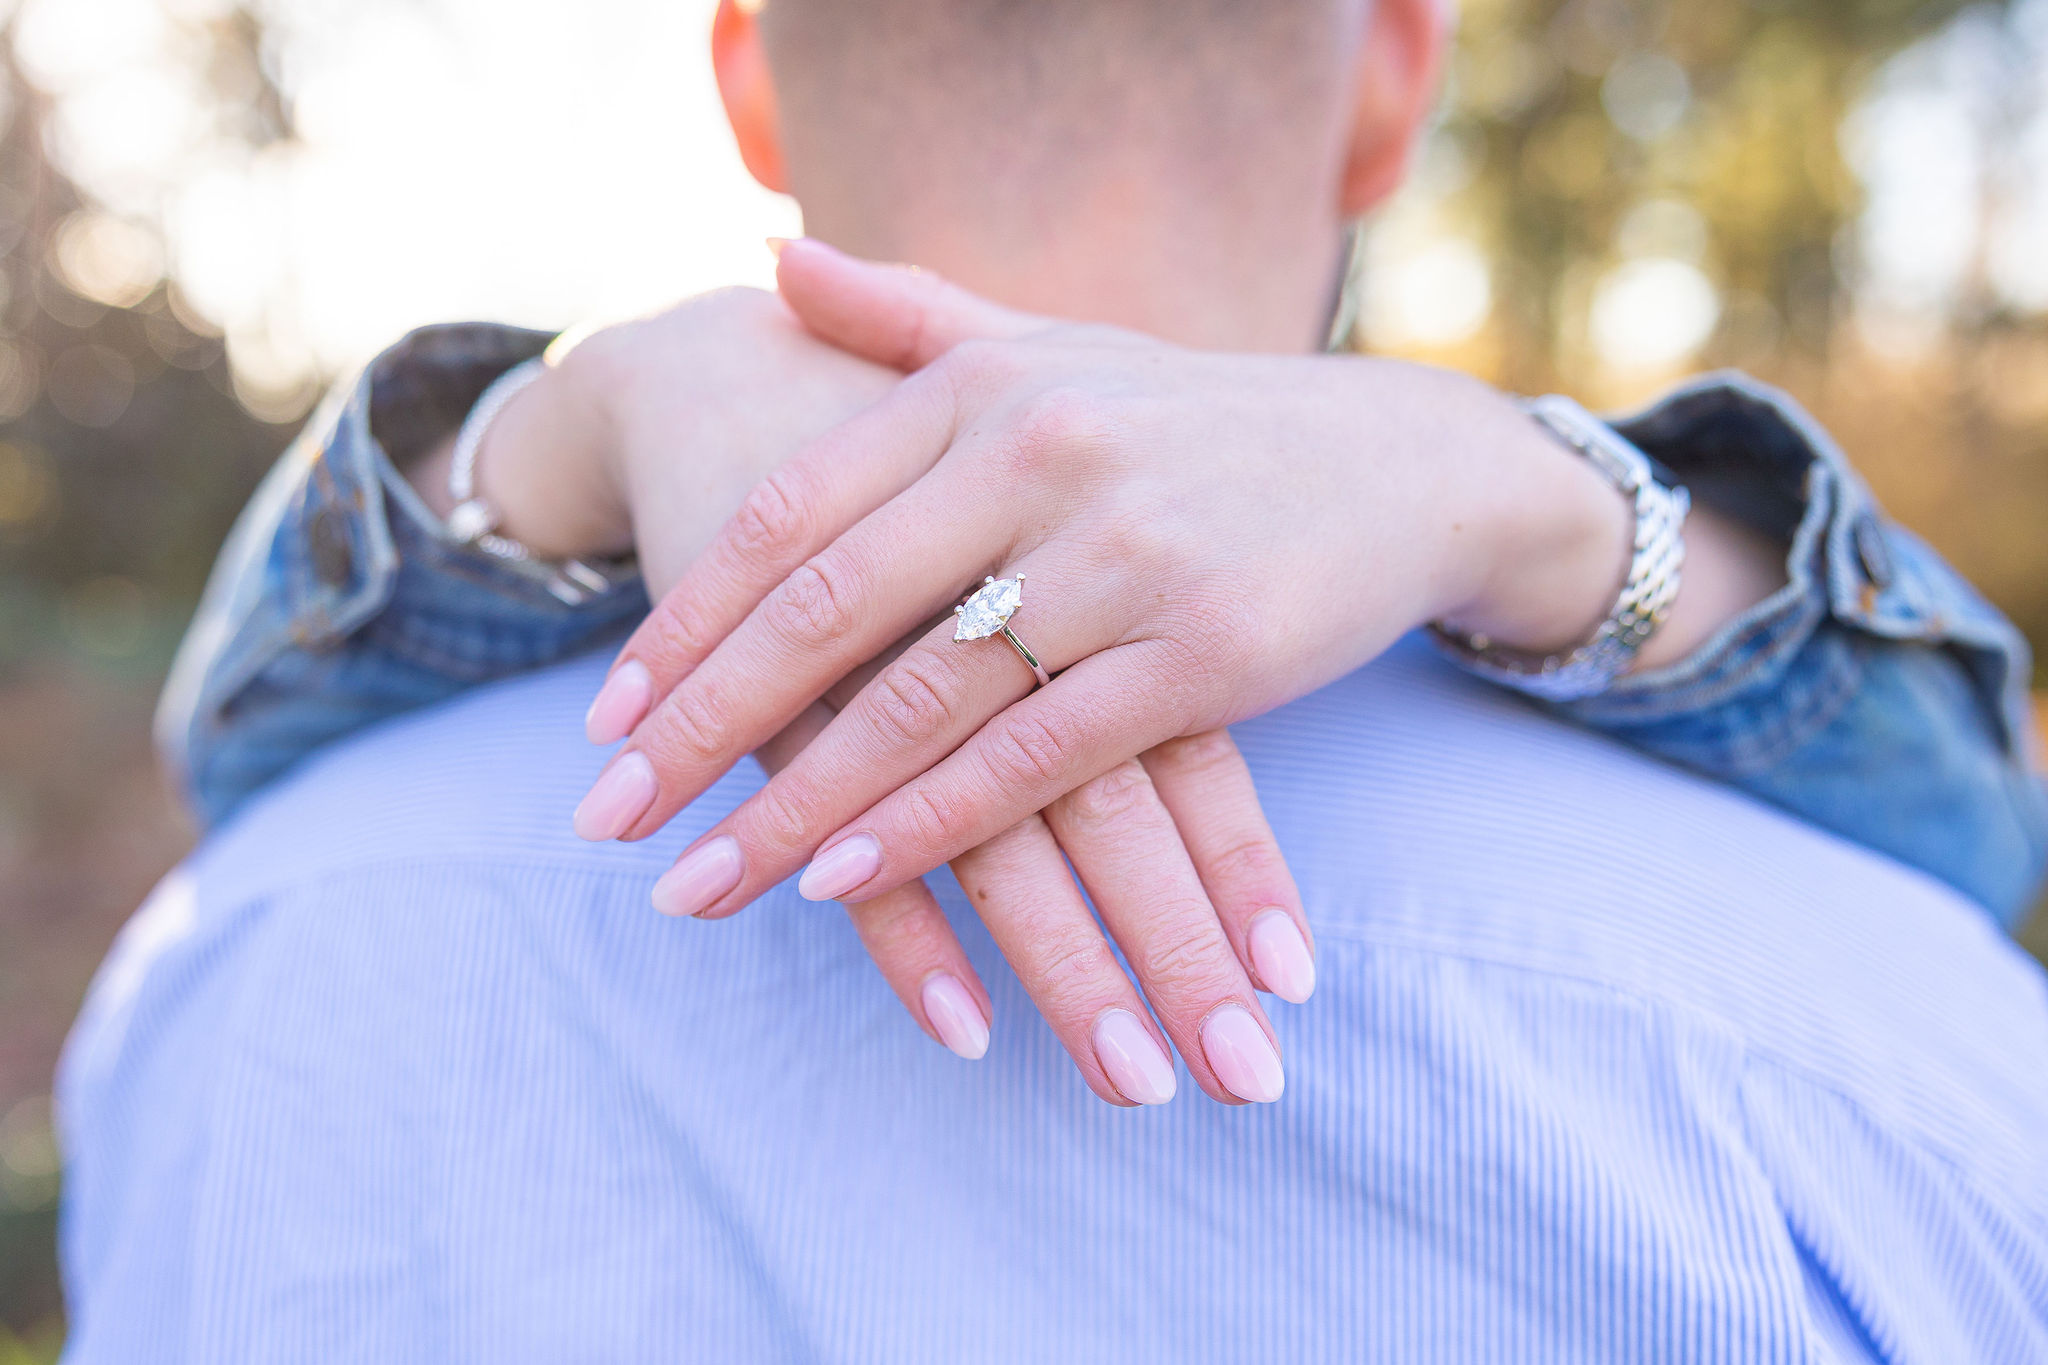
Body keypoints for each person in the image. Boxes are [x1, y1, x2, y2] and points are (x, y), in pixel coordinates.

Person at [60, 0, 2048, 1359]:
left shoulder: (232, 951)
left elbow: (247, 729)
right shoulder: (1900, 1037)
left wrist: (554, 424)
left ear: (744, 72)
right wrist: (1538, 495)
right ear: (1392, 78)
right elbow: (1972, 814)